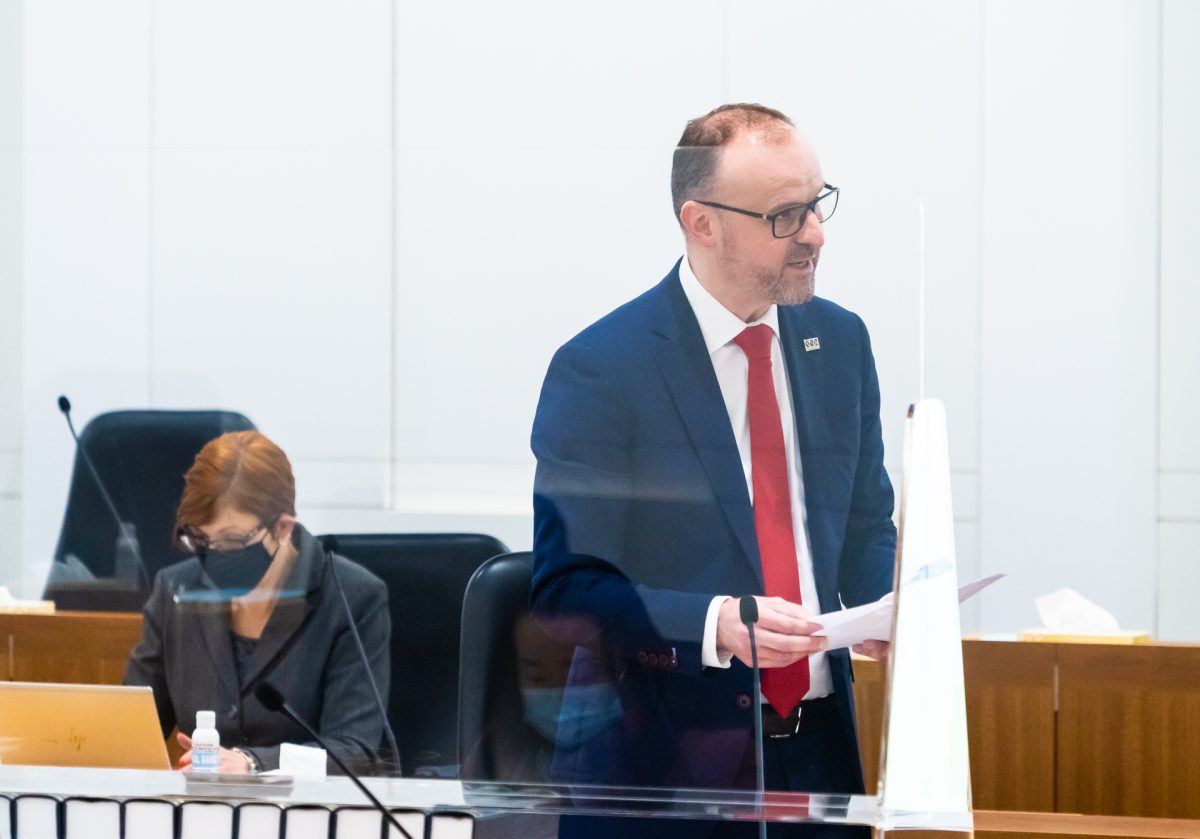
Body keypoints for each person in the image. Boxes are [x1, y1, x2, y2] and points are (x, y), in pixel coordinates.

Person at [530, 103, 896, 836]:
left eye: (817, 203)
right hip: (662, 778)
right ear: (702, 223)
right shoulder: (603, 369)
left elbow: (863, 522)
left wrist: (888, 602)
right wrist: (716, 623)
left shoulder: (841, 342)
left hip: (818, 762)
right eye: (785, 216)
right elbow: (567, 588)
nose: (816, 234)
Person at [125, 430, 391, 775]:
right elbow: (134, 730)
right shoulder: (174, 589)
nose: (213, 556)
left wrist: (253, 763)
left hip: (306, 818)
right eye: (200, 539)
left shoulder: (351, 598)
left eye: (231, 540)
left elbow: (355, 751)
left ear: (282, 527)